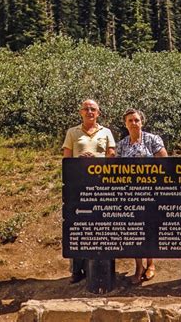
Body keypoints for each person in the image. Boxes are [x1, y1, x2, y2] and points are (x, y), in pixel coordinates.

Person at [62, 99, 116, 282]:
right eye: (86, 109)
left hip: (102, 185)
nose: (89, 112)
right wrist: (80, 162)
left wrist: (97, 160)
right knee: (78, 226)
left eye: (93, 109)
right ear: (81, 112)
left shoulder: (106, 132)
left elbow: (112, 156)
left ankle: (104, 268)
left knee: (102, 225)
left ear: (98, 113)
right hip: (80, 185)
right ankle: (77, 271)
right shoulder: (72, 132)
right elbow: (66, 160)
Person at [116, 108, 168, 285]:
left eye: (136, 120)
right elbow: (115, 169)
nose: (133, 123)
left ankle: (151, 264)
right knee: (135, 230)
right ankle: (138, 266)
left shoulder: (152, 139)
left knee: (150, 227)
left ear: (142, 122)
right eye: (130, 120)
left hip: (151, 191)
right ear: (125, 124)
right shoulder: (122, 144)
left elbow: (165, 163)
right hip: (130, 193)